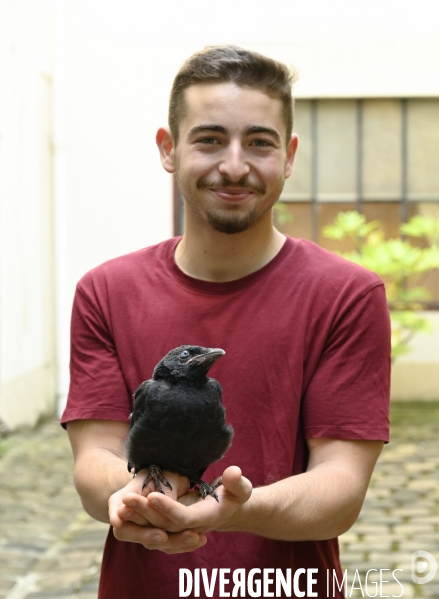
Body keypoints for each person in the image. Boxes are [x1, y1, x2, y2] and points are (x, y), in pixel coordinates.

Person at [62, 45, 391, 598]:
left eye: (259, 142)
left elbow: (341, 487)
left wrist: (233, 510)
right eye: (210, 139)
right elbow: (96, 458)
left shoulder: (347, 295)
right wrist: (139, 496)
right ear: (169, 149)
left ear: (287, 156)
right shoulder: (105, 291)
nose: (234, 165)